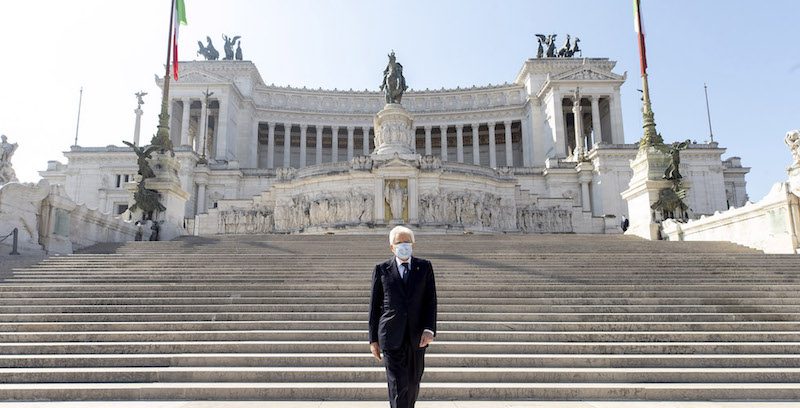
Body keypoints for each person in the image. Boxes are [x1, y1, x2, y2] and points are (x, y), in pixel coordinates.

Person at [369, 226, 437, 408]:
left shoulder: (424, 267)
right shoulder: (381, 269)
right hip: (391, 336)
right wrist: (373, 340)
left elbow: (430, 300)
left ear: (413, 244)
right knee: (398, 385)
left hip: (417, 336)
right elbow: (375, 307)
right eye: (399, 243)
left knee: (413, 383)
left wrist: (429, 329)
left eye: (407, 242)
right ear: (392, 247)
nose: (404, 246)